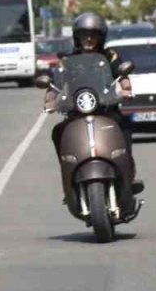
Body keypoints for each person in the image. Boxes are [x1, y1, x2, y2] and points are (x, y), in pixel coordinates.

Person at [44, 12, 136, 172]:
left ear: (101, 37)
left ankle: (127, 172)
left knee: (125, 128)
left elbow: (122, 74)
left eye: (93, 35)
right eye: (84, 35)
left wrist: (126, 89)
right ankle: (69, 169)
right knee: (58, 132)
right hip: (76, 112)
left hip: (107, 111)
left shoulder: (110, 56)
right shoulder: (67, 59)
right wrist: (50, 99)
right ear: (77, 37)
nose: (89, 39)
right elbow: (54, 84)